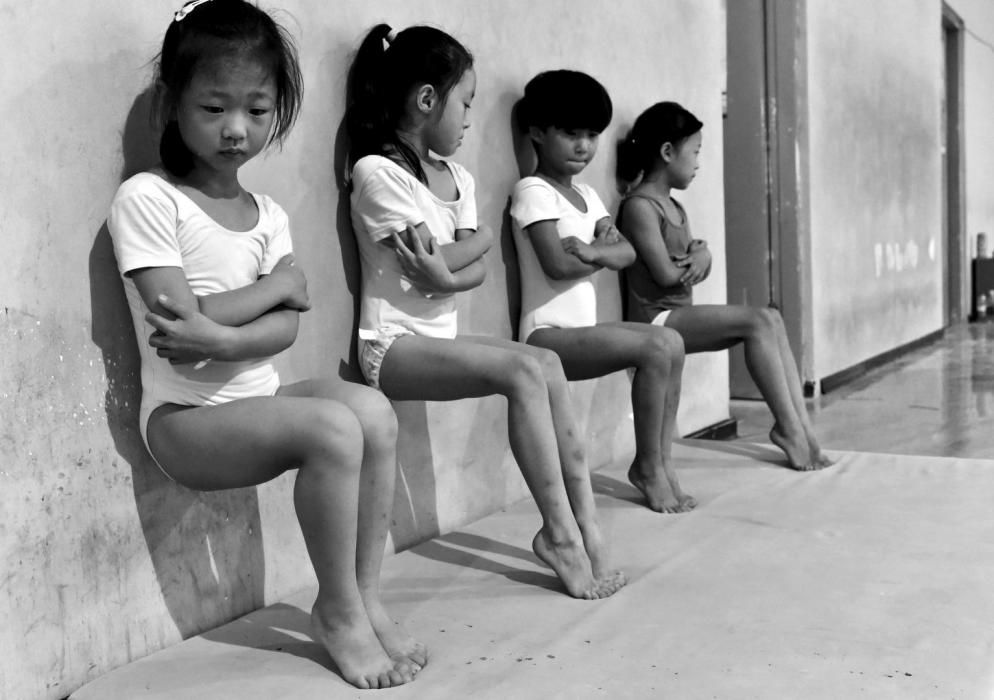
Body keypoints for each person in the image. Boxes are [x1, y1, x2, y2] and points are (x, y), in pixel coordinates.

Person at [107, 1, 423, 689]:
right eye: (214, 108)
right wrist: (279, 285)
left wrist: (222, 329)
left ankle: (364, 594)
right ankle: (336, 611)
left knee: (372, 413)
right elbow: (177, 319)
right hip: (186, 424)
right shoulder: (149, 199)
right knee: (334, 429)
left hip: (258, 396)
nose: (236, 130)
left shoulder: (268, 214)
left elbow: (282, 329)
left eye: (256, 109)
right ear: (172, 104)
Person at [345, 25, 625, 599]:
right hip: (390, 346)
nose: (470, 117)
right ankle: (561, 538)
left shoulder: (460, 177)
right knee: (524, 369)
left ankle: (586, 529)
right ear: (427, 100)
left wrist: (449, 267)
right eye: (465, 102)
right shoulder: (377, 172)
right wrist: (454, 262)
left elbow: (465, 265)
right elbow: (451, 256)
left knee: (543, 365)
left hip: (437, 341)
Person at [510, 70, 692, 515]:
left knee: (670, 343)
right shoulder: (533, 190)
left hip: (579, 334)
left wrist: (593, 252)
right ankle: (648, 467)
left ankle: (659, 461)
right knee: (656, 346)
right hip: (547, 336)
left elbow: (627, 253)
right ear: (536, 132)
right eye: (570, 134)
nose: (583, 147)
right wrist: (601, 254)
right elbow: (556, 263)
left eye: (592, 136)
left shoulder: (588, 196)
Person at [616, 101, 833, 471]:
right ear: (667, 152)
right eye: (695, 152)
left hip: (677, 316)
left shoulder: (675, 207)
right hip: (655, 320)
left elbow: (686, 264)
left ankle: (801, 429)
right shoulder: (640, 207)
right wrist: (700, 257)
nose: (699, 163)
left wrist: (703, 254)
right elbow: (668, 275)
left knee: (770, 319)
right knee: (757, 321)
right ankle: (789, 430)